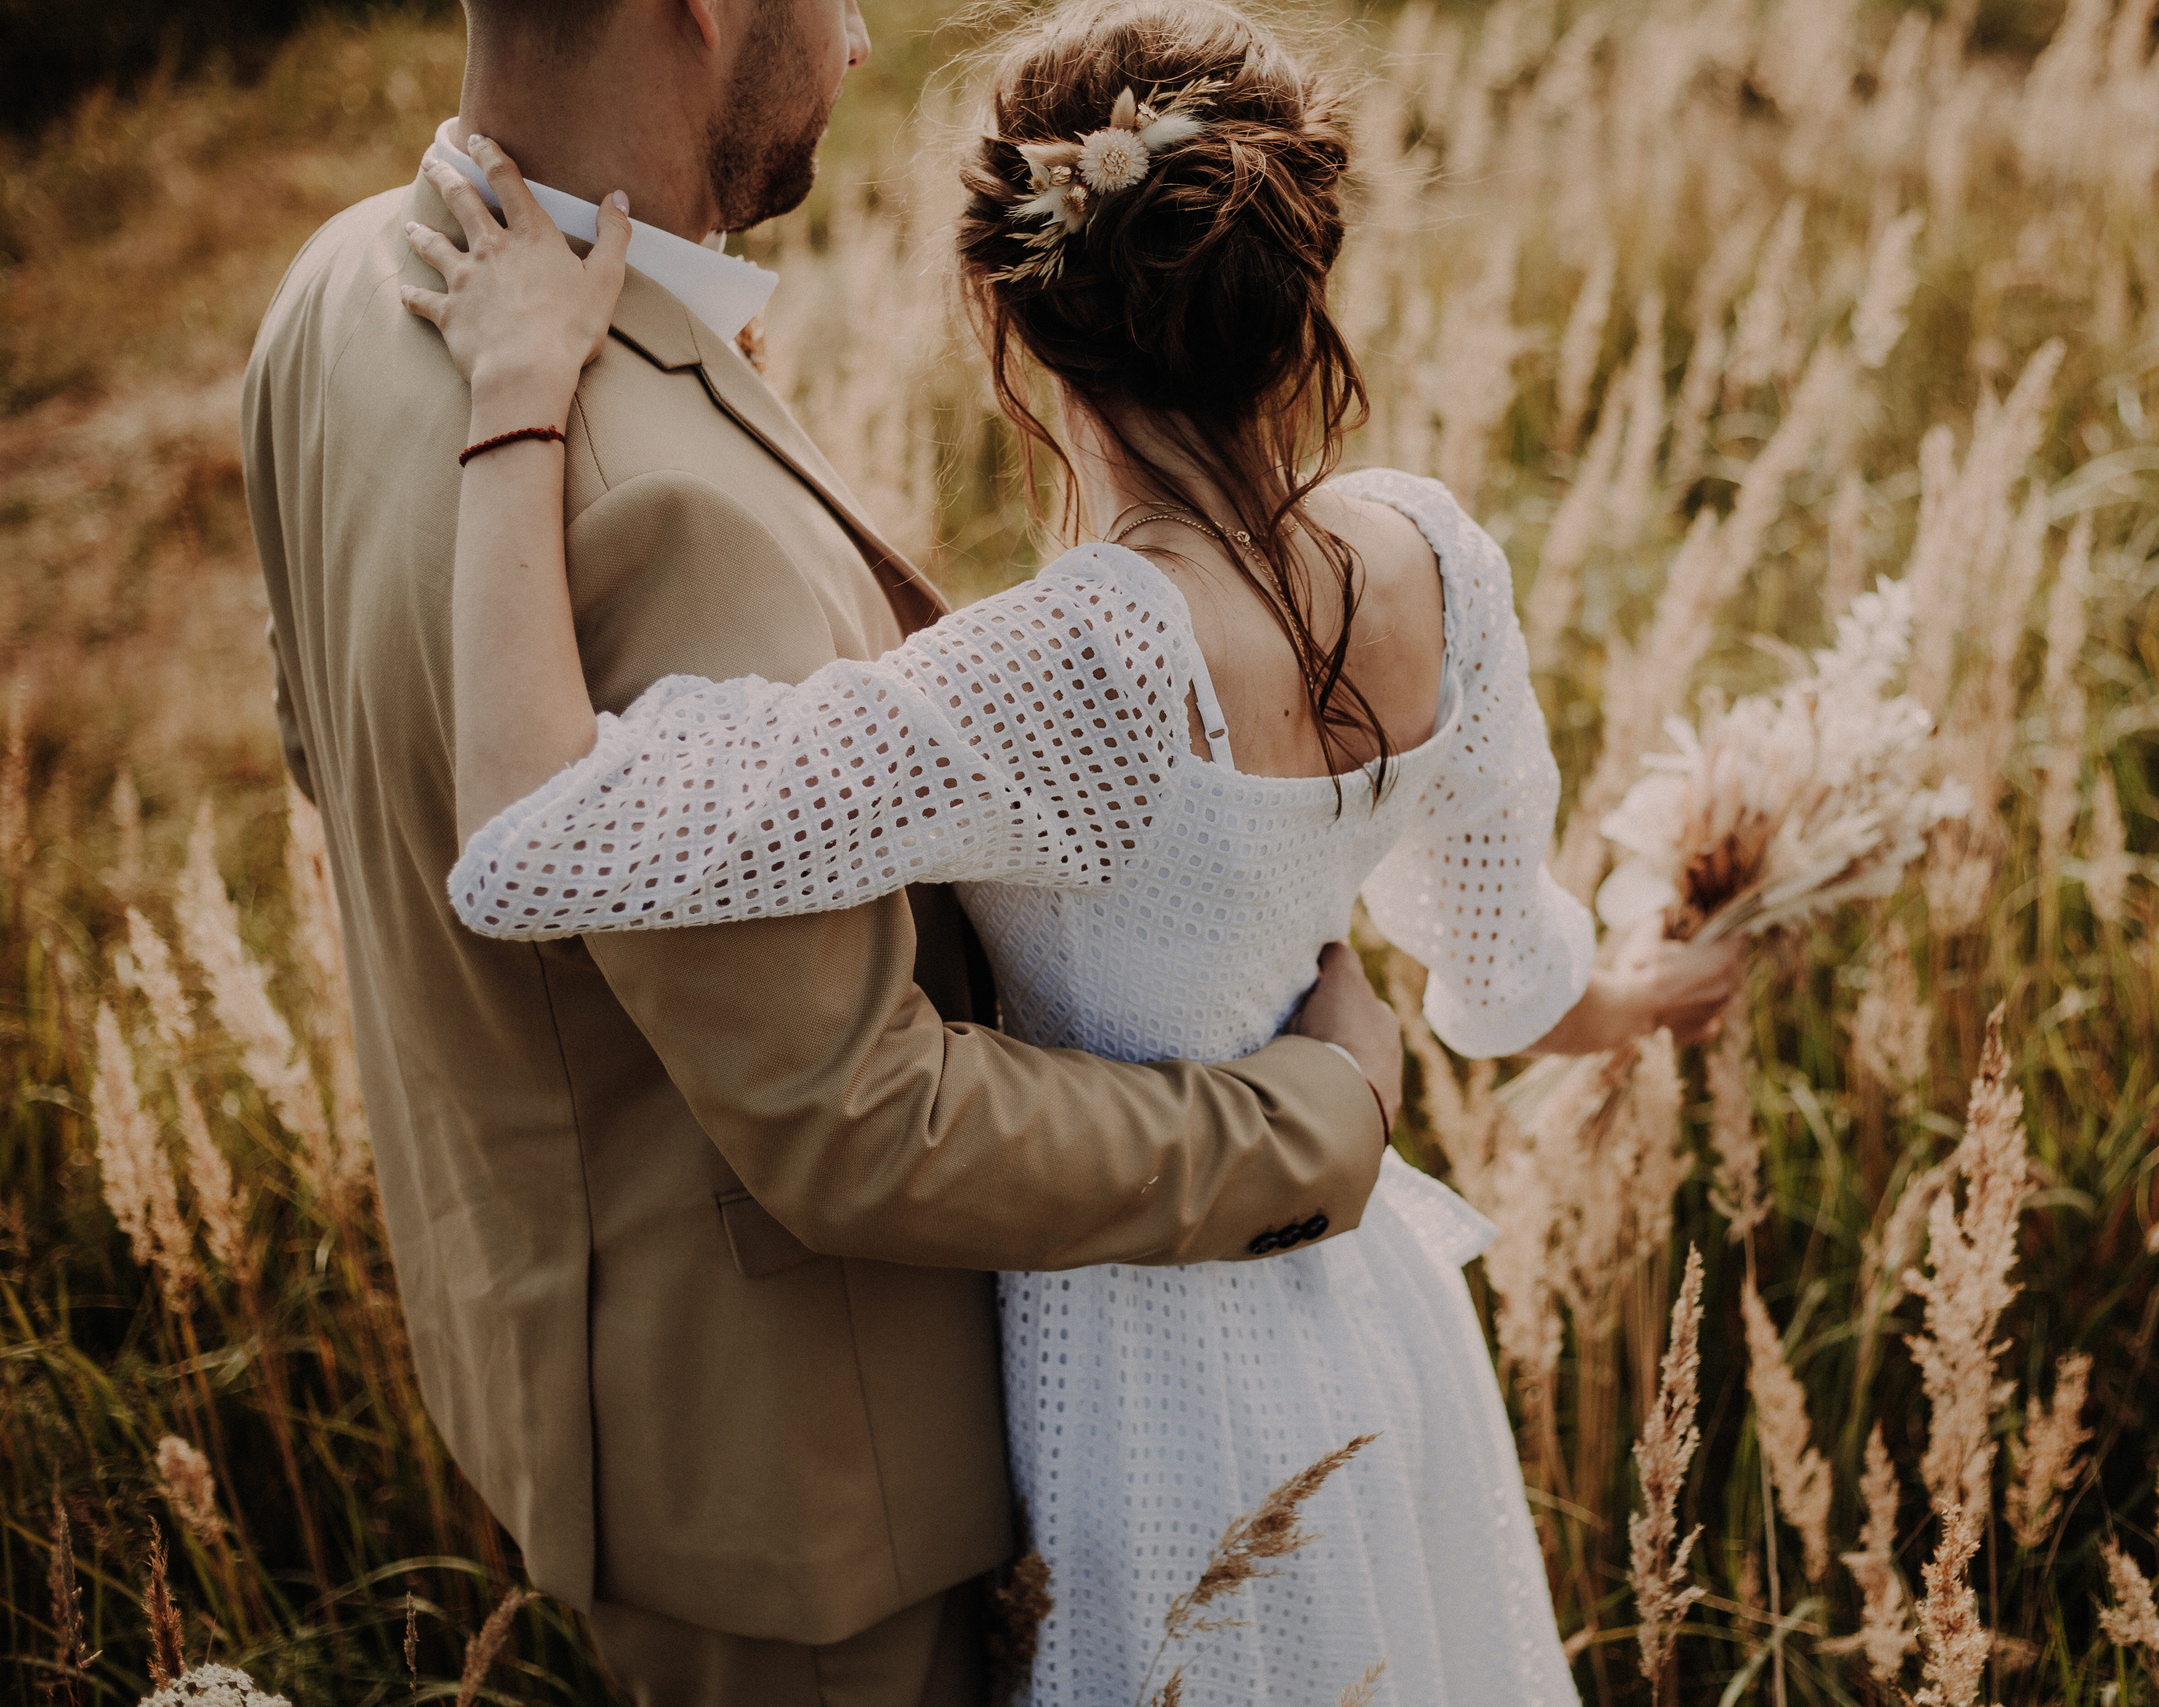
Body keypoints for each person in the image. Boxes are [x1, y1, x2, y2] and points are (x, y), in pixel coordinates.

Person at [395, 2, 1747, 1700]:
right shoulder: (1439, 563)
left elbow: (527, 840)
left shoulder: (1081, 671)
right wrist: (1640, 993)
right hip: (1375, 1324)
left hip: (1140, 1385)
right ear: (1301, 278)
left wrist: (523, 395)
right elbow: (1503, 984)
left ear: (1012, 319)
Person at [239, 1, 1419, 1701]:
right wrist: (1310, 1122)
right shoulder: (654, 496)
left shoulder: (339, 287)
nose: (861, 40)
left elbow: (336, 767)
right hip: (808, 1492)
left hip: (544, 1371)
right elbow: (857, 1121)